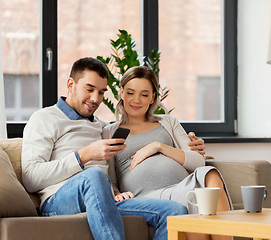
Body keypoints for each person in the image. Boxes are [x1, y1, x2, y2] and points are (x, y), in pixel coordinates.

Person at [21, 57, 206, 240]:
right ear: (71, 84)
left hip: (104, 200)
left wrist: (115, 192)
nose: (95, 99)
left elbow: (112, 170)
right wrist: (82, 156)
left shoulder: (103, 128)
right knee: (94, 175)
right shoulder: (44, 118)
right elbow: (30, 178)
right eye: (89, 89)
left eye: (101, 92)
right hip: (59, 201)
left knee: (175, 211)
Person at [102, 66, 233, 240]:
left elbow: (197, 161)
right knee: (194, 198)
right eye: (130, 92)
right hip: (147, 196)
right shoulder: (109, 132)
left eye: (144, 94)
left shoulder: (168, 122)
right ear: (121, 93)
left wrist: (159, 146)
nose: (136, 100)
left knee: (210, 174)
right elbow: (109, 176)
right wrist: (116, 193)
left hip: (181, 185)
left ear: (153, 97)